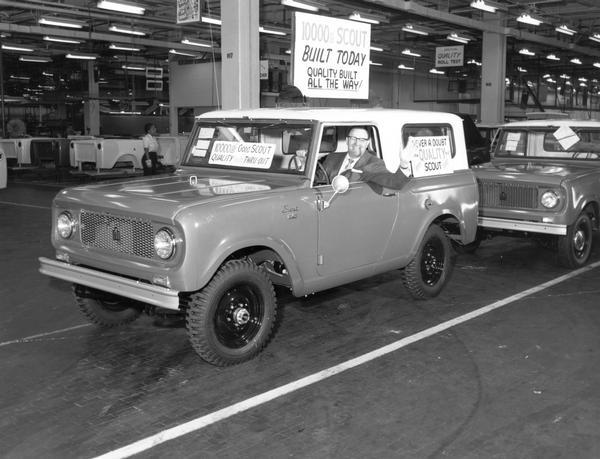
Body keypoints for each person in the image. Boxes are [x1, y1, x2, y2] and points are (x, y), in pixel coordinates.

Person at [321, 126, 411, 192]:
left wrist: (404, 164)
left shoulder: (373, 163)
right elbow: (318, 179)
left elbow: (394, 182)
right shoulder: (332, 157)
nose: (357, 143)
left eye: (362, 140)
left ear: (367, 144)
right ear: (347, 140)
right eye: (353, 138)